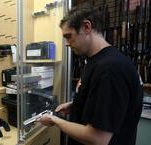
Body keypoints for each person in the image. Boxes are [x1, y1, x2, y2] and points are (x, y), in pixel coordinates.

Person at [37, 3, 143, 145]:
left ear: (87, 27)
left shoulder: (110, 69)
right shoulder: (95, 60)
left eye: (69, 36)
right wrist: (76, 104)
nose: (67, 44)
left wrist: (55, 120)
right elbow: (100, 99)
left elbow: (97, 139)